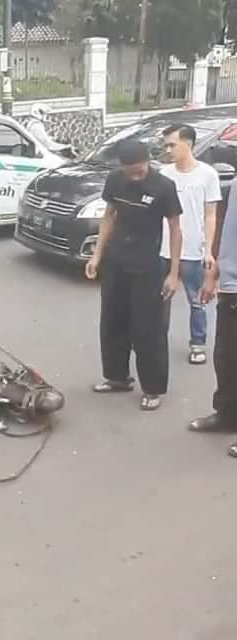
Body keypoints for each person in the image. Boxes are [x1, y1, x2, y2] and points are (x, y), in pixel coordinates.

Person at [85, 140, 183, 411]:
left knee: (147, 328)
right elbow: (109, 216)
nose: (136, 176)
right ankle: (117, 378)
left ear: (148, 162)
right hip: (116, 260)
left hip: (147, 265)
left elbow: (175, 229)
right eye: (130, 171)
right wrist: (97, 255)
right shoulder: (116, 179)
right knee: (112, 320)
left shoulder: (164, 187)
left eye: (139, 170)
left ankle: (152, 388)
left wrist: (174, 273)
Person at [160, 123, 221, 365]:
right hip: (163, 249)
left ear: (189, 144)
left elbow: (210, 215)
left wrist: (209, 251)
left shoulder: (208, 175)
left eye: (172, 144)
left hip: (193, 251)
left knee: (197, 301)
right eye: (165, 145)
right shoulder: (164, 175)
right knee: (160, 298)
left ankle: (198, 343)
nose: (168, 150)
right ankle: (157, 340)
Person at [188, 177, 237, 452]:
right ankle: (228, 416)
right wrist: (212, 273)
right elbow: (225, 233)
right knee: (226, 359)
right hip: (231, 285)